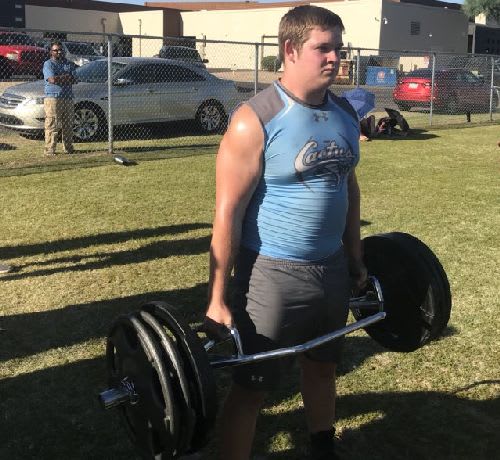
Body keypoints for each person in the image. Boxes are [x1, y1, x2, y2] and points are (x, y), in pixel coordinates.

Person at [203, 5, 367, 460]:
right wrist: (217, 298)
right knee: (253, 387)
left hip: (331, 268)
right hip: (271, 276)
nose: (335, 57)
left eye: (339, 47)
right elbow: (227, 215)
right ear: (290, 50)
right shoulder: (253, 120)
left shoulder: (344, 114)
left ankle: (321, 445)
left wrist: (354, 256)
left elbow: (348, 187)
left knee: (323, 365)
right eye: (323, 48)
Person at [42, 41, 78, 156]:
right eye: (56, 50)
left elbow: (75, 79)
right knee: (52, 124)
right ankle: (50, 149)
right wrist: (66, 77)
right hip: (53, 98)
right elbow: (52, 80)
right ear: (51, 52)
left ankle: (68, 148)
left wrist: (60, 78)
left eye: (61, 50)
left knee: (68, 124)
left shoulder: (69, 64)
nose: (59, 52)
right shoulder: (48, 64)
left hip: (68, 97)